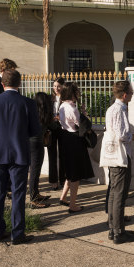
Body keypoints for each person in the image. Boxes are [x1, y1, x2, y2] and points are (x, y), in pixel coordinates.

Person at [0, 69, 40, 245]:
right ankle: (17, 233)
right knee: (18, 194)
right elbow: (35, 130)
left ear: (2, 84)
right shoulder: (28, 103)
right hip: (19, 152)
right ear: (19, 83)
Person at [105, 81, 134, 244]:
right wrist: (133, 137)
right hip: (120, 156)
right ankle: (119, 232)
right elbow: (121, 135)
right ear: (125, 94)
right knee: (120, 193)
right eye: (131, 92)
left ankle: (113, 228)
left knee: (114, 192)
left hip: (113, 156)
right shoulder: (119, 110)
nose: (133, 95)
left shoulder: (111, 109)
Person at [58, 82, 94, 213]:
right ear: (72, 93)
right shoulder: (72, 108)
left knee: (70, 171)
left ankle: (63, 197)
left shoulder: (62, 105)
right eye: (76, 91)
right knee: (76, 174)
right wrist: (84, 114)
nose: (78, 93)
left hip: (65, 138)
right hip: (74, 140)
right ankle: (73, 204)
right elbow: (81, 124)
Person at [29, 92, 55, 209]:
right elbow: (52, 126)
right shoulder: (45, 115)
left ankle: (36, 193)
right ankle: (33, 198)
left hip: (29, 143)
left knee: (34, 171)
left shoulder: (31, 112)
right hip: (37, 144)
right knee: (35, 171)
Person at [48, 77, 66, 190]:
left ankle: (63, 179)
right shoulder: (50, 98)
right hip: (51, 128)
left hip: (63, 128)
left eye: (58, 86)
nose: (56, 88)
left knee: (63, 155)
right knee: (52, 155)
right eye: (54, 86)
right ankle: (53, 180)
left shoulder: (66, 98)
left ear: (63, 87)